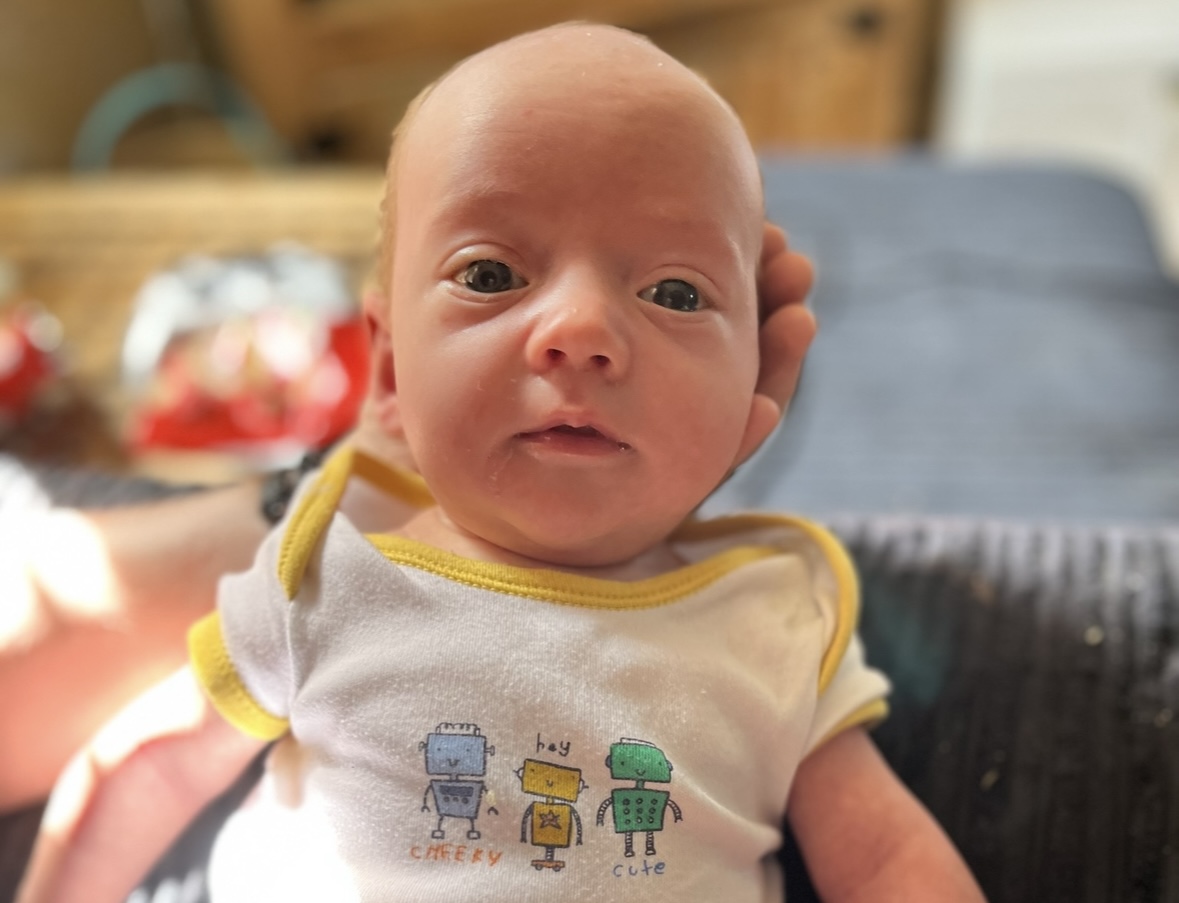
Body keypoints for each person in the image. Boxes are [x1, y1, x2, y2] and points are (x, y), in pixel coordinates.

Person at [16, 23, 985, 903]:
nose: (581, 328)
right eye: (490, 275)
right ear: (388, 372)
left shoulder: (776, 619)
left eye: (676, 293)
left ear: (750, 389)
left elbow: (886, 861)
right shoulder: (327, 578)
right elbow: (145, 768)